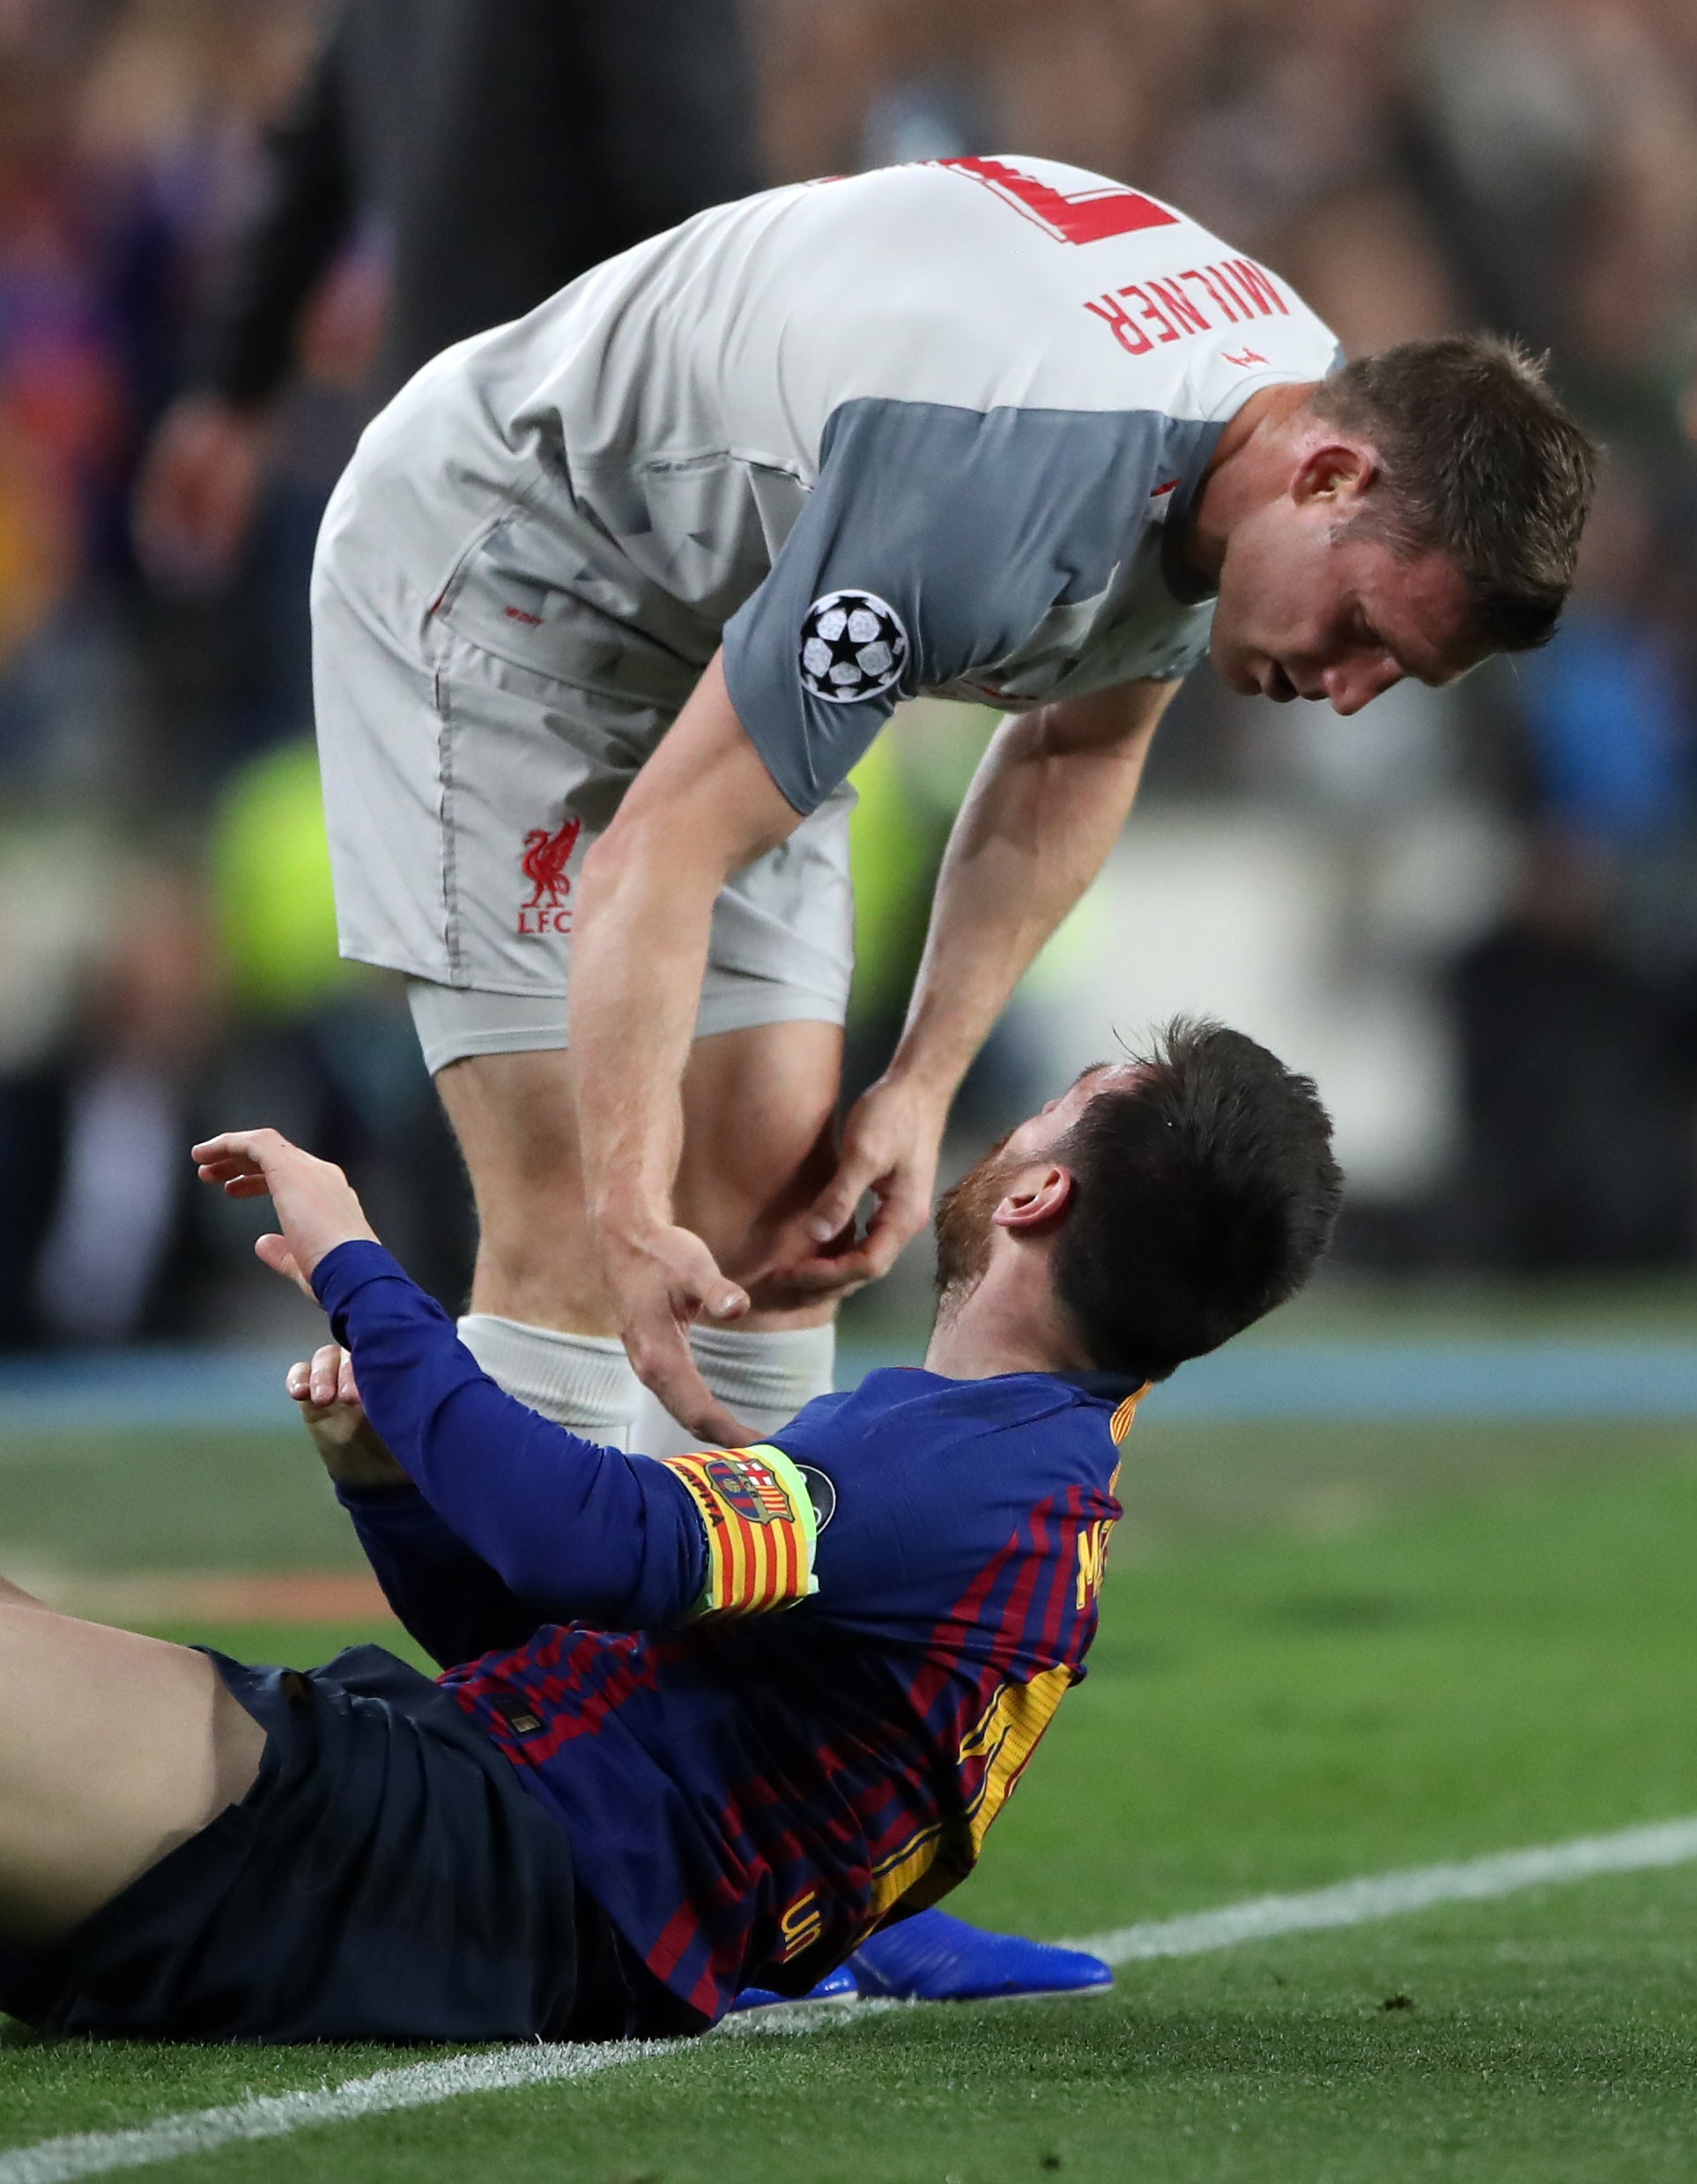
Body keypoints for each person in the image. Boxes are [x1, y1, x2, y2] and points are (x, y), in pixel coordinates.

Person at [307, 153, 1596, 1478]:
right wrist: (630, 1202)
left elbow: (1078, 746)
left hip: (742, 609)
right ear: (1324, 477)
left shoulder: (1294, 433)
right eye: (1363, 632)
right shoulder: (990, 485)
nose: (1347, 692)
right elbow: (663, 847)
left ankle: (714, 1668)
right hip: (511, 561)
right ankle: (530, 1684)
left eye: (1395, 672)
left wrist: (919, 1088)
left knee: (780, 1225)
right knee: (579, 1232)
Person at [0, 1019, 1340, 2043]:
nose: (1011, 1130)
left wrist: (358, 1258)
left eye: (1045, 1116)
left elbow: (583, 1542)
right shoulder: (1005, 1467)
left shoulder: (949, 1472)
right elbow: (582, 1656)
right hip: (468, 1836)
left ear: (1034, 1198)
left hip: (445, 1859)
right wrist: (391, 1486)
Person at [133, 0, 760, 590]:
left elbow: (316, 141)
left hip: (441, 447)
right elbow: (689, 190)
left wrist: (231, 382)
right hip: (589, 464)